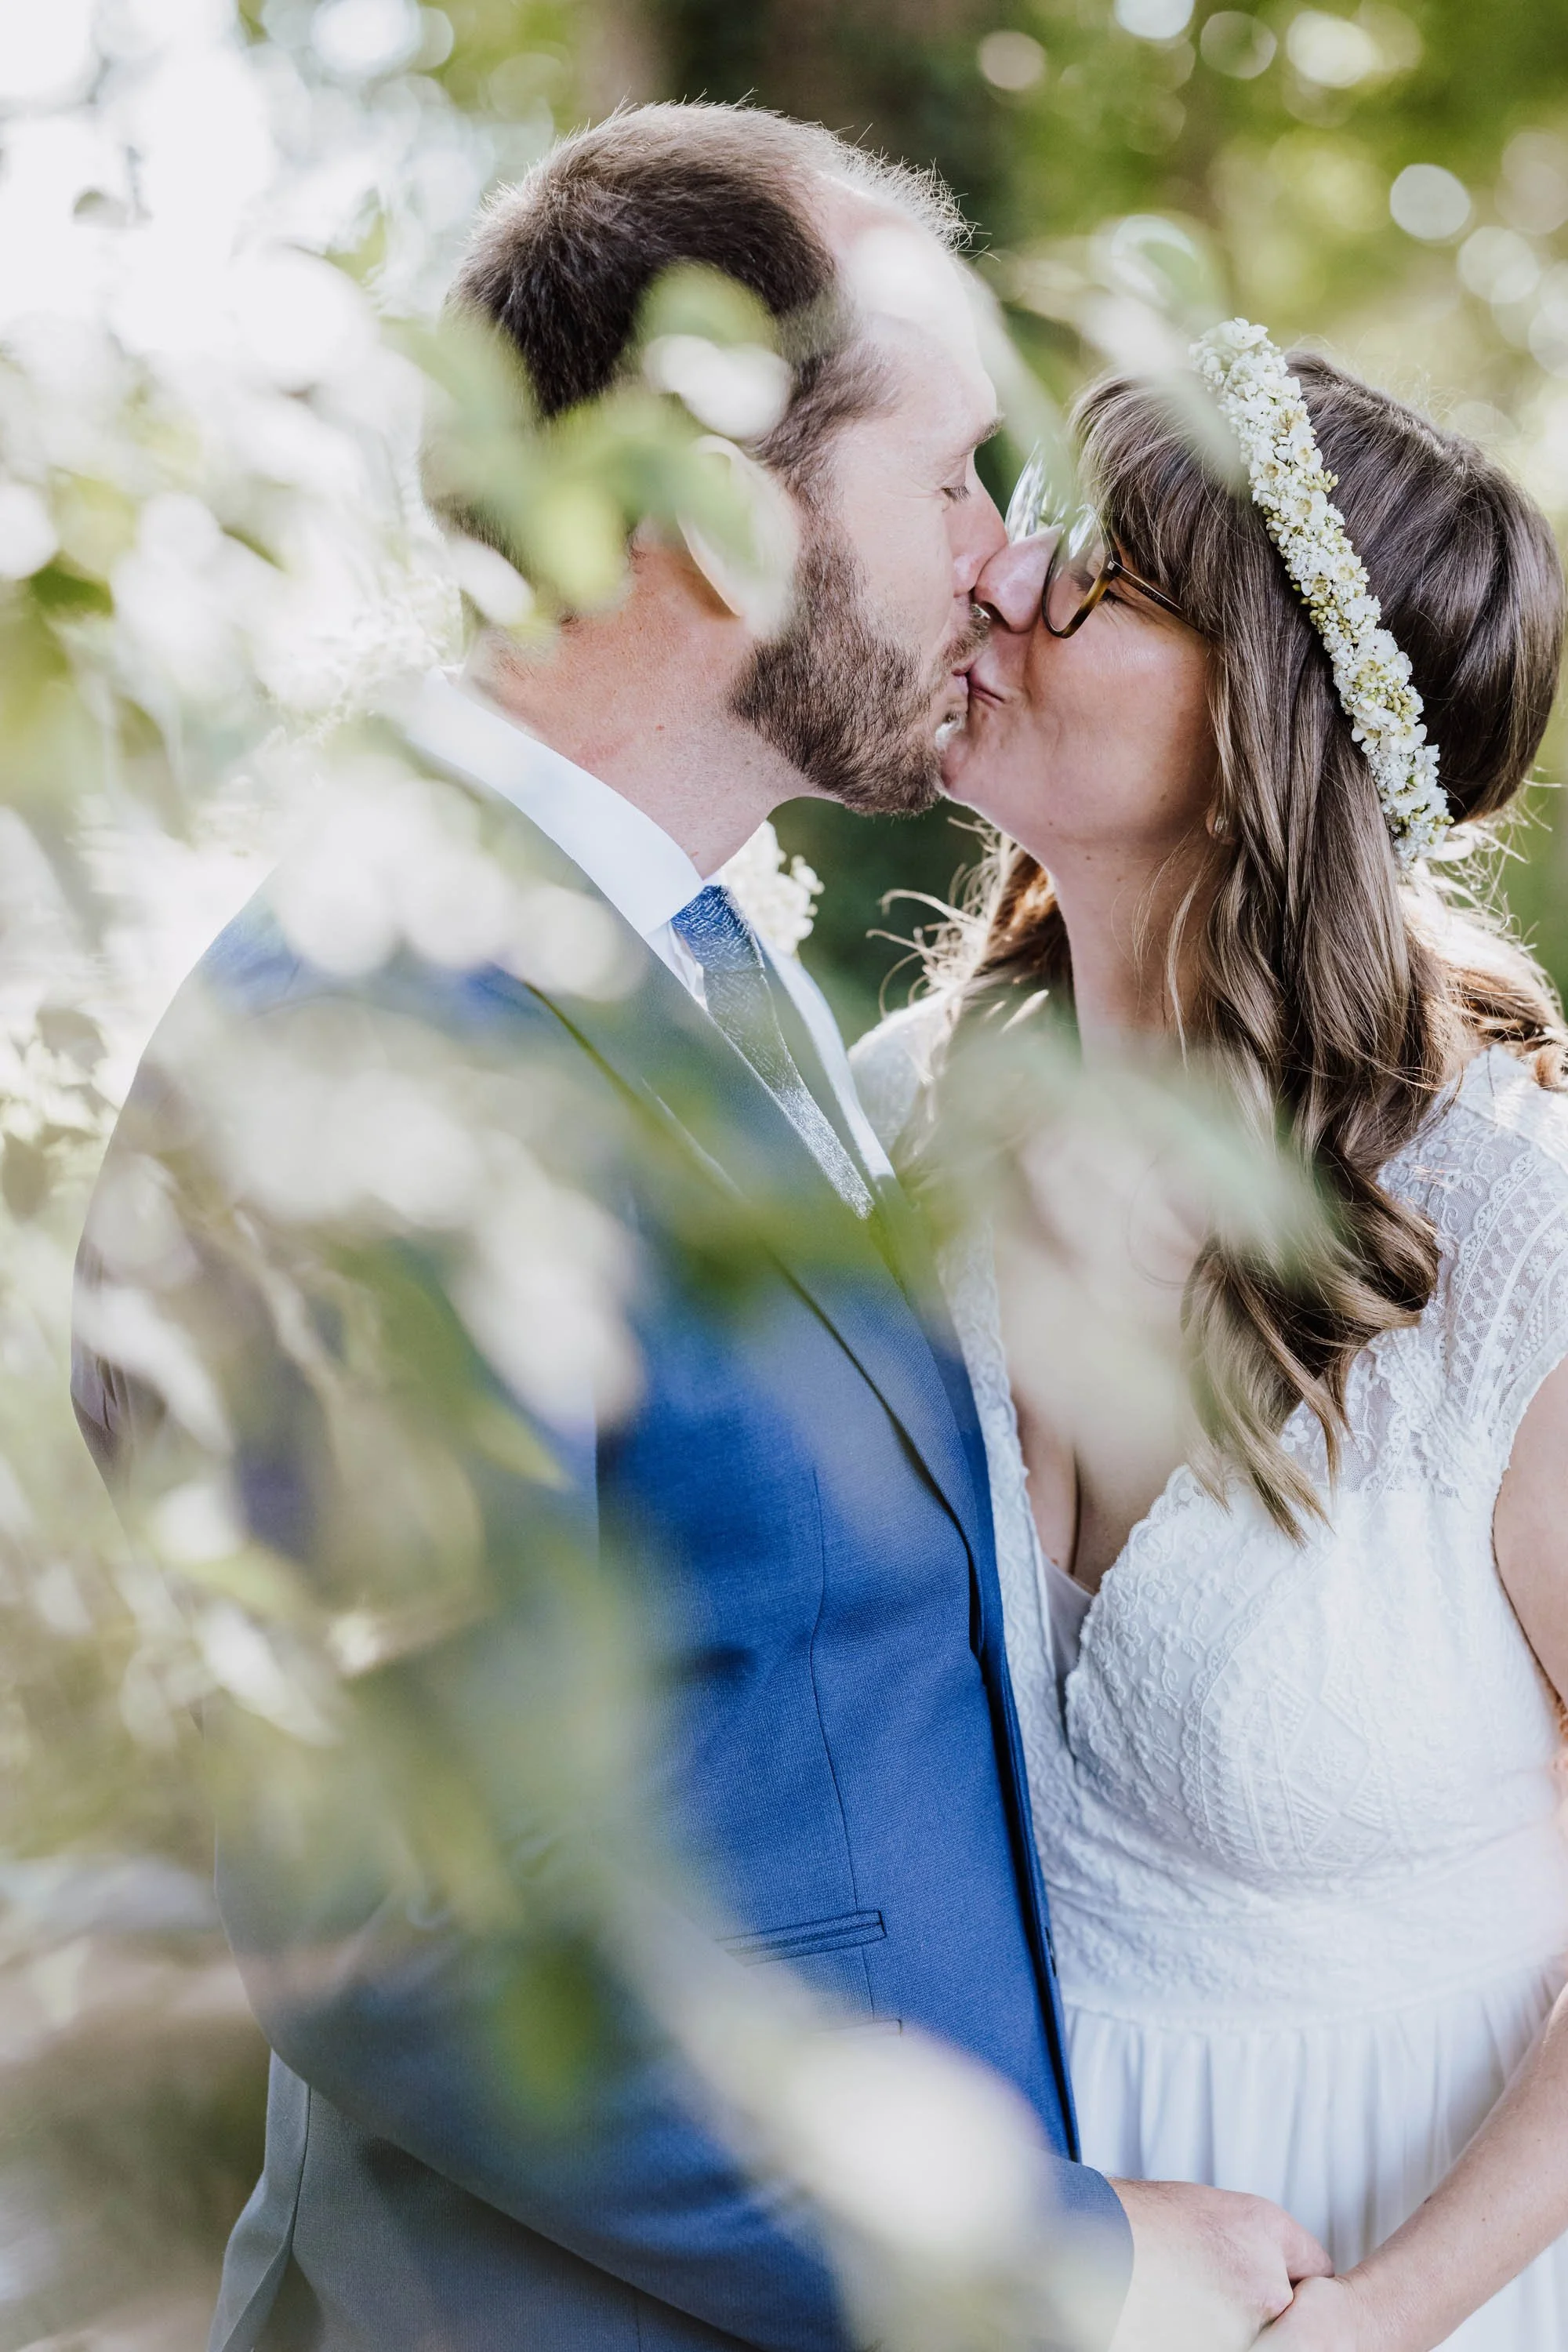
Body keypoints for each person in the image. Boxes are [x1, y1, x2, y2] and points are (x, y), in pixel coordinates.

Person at [70, 113, 1323, 2352]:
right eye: (943, 478)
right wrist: (1057, 2263)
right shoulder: (356, 1055)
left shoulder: (703, 979)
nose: (992, 562)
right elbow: (415, 1928)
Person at [852, 324, 1568, 2348]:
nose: (996, 574)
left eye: (1093, 569)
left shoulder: (1520, 1247)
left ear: (1261, 720)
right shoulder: (905, 1121)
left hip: (1392, 2268)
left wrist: (1385, 2317)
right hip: (1014, 2254)